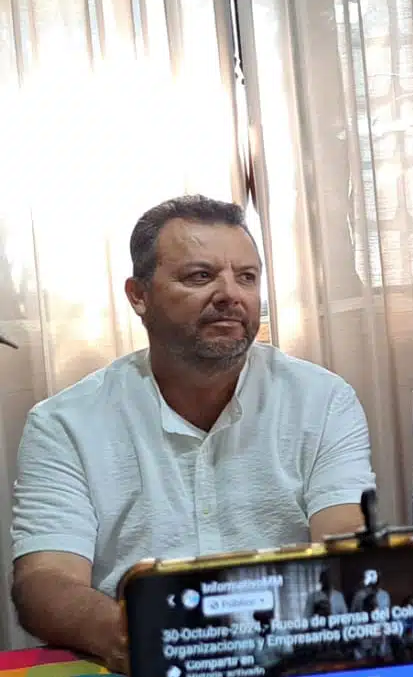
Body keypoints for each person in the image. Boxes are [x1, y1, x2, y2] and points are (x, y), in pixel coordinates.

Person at [10, 196, 376, 673]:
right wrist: (131, 634)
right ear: (138, 295)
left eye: (246, 277)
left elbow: (345, 544)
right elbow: (45, 581)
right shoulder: (64, 423)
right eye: (200, 276)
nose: (230, 294)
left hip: (290, 654)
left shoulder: (323, 400)